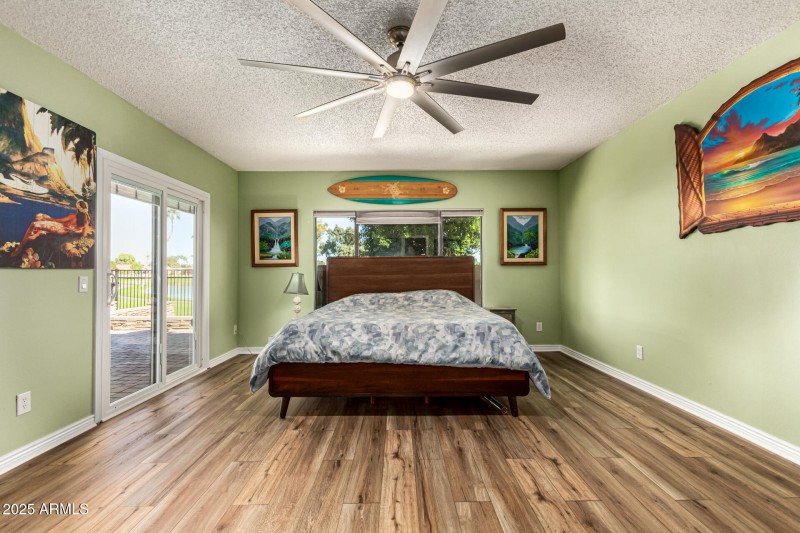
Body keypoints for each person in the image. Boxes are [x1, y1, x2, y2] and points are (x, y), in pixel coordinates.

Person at [11, 200, 92, 257]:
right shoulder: (86, 220)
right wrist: (73, 230)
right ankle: (37, 234)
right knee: (41, 220)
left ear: (78, 209)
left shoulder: (73, 216)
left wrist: (46, 217)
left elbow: (58, 221)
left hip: (60, 228)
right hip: (63, 230)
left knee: (34, 224)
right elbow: (83, 234)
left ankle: (20, 247)